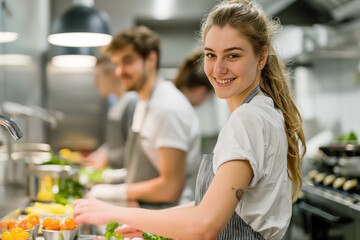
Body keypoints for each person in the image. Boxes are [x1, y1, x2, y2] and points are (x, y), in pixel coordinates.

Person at [73, 0, 306, 239]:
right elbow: (210, 208)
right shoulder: (263, 110)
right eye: (211, 55)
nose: (218, 69)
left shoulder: (248, 120)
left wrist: (114, 212)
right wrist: (152, 224)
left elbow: (205, 225)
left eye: (232, 55)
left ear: (261, 57)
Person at [86, 26, 202, 208]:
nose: (119, 72)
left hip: (166, 219)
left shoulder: (167, 108)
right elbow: (149, 170)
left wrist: (118, 192)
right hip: (146, 211)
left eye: (127, 62)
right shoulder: (144, 101)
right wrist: (116, 177)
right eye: (116, 64)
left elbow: (171, 187)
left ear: (151, 59)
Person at [82, 55, 138, 172]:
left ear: (112, 76)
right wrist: (102, 152)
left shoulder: (132, 102)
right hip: (115, 173)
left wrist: (107, 157)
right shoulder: (116, 103)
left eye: (98, 78)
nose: (96, 84)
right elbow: (115, 143)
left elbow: (133, 148)